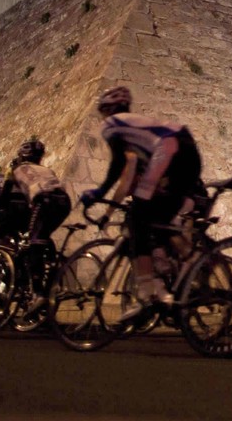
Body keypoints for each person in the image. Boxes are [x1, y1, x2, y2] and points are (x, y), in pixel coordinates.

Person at [78, 86, 203, 319]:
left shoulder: (113, 124)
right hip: (188, 153)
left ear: (107, 109)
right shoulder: (138, 133)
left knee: (138, 216)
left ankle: (148, 295)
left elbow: (118, 167)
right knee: (155, 220)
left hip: (171, 150)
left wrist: (99, 192)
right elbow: (129, 178)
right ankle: (193, 261)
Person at [1, 138, 70, 315]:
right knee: (42, 237)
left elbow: (4, 199)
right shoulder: (47, 169)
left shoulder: (14, 169)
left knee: (34, 243)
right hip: (64, 202)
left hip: (44, 201)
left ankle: (38, 293)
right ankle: (51, 267)